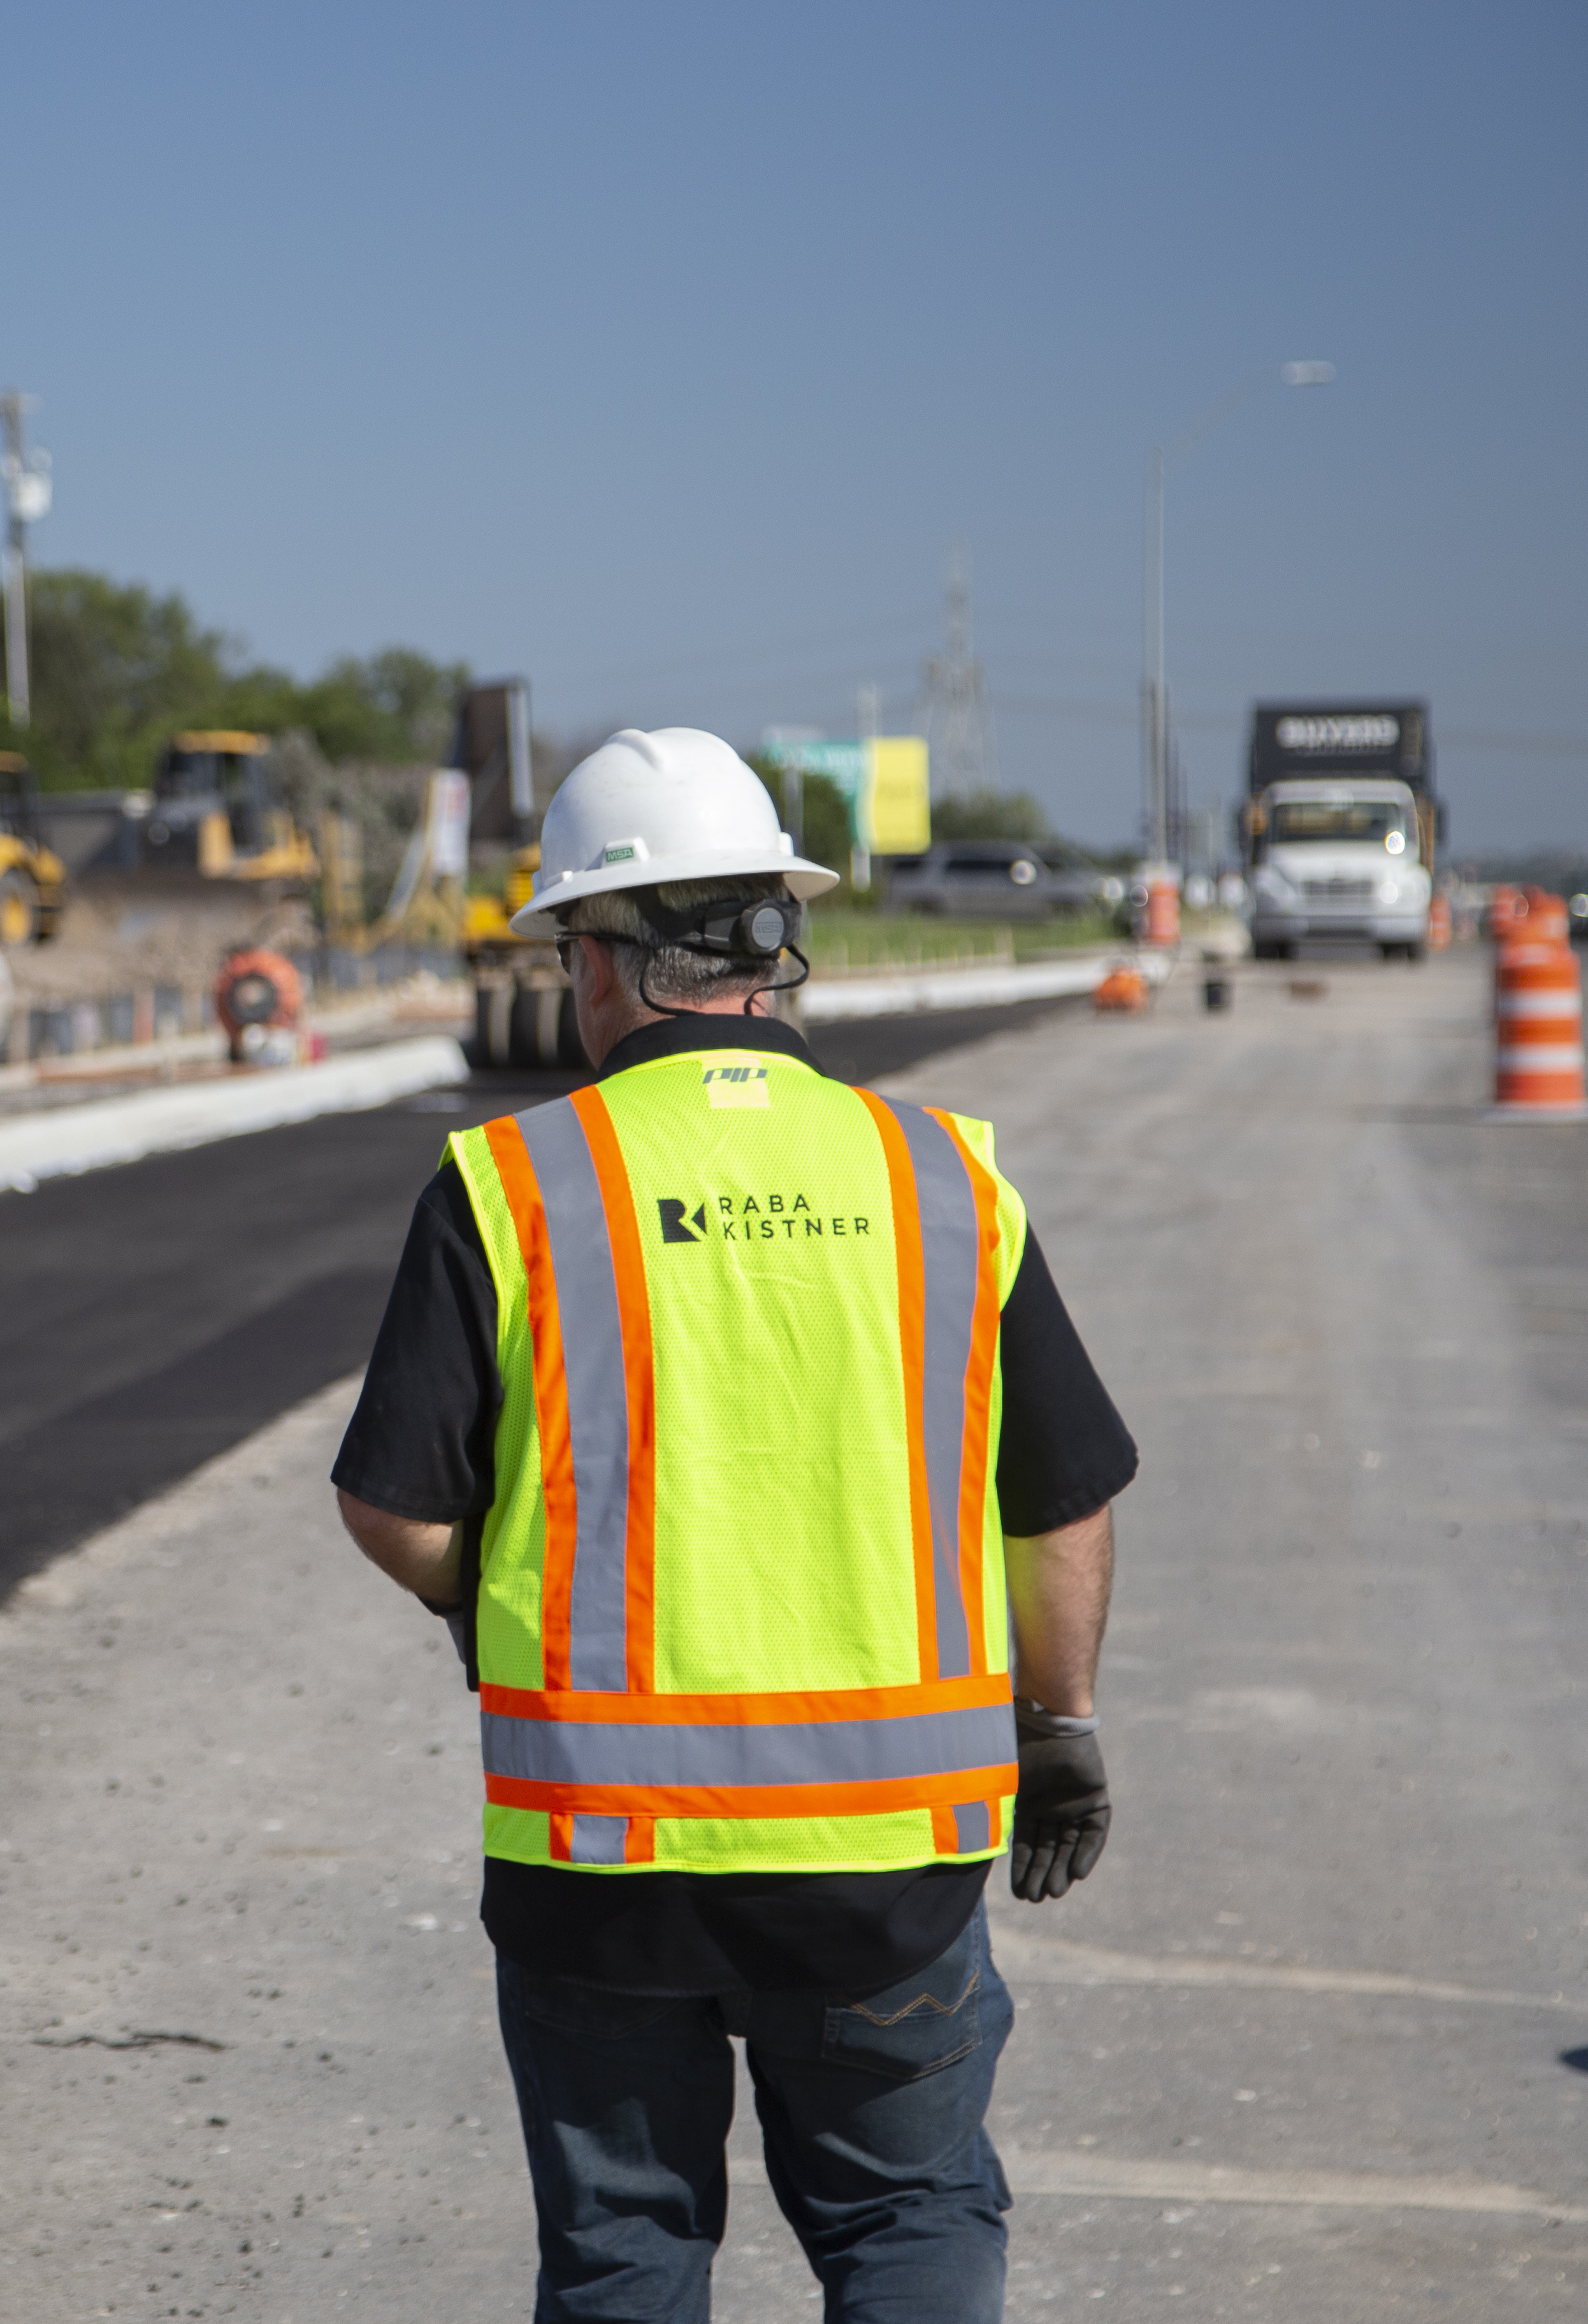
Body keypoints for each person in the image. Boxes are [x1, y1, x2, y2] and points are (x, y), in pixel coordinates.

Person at [331, 728, 1135, 2322]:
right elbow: (1061, 1502)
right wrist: (1060, 1724)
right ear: (777, 941)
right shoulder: (944, 1179)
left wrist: (504, 1605)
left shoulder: (508, 1181)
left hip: (598, 1855)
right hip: (891, 1859)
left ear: (614, 960)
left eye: (570, 951)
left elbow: (394, 1506)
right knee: (910, 2223)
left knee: (629, 2255)